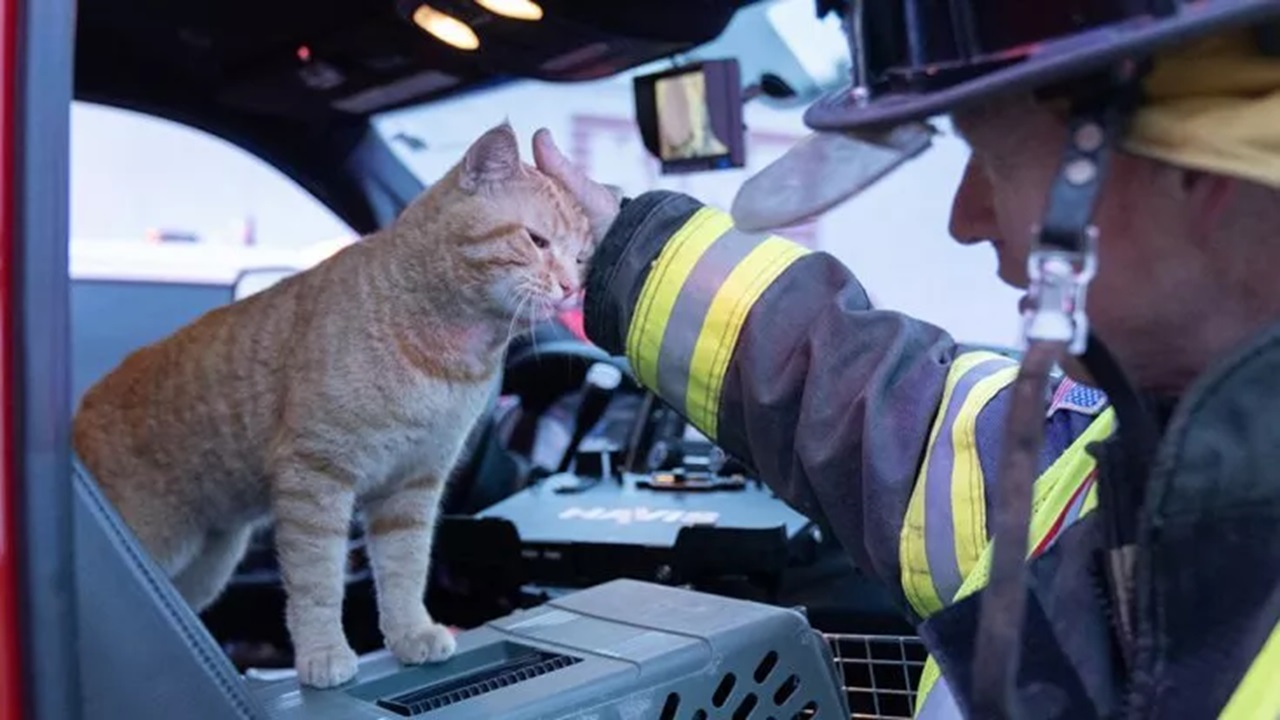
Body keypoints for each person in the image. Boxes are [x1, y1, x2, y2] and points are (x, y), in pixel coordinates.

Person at [527, 0, 1280, 718]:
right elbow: (890, 415)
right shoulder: (1093, 455)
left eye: (997, 157)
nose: (965, 219)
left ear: (1202, 170)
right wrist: (626, 256)